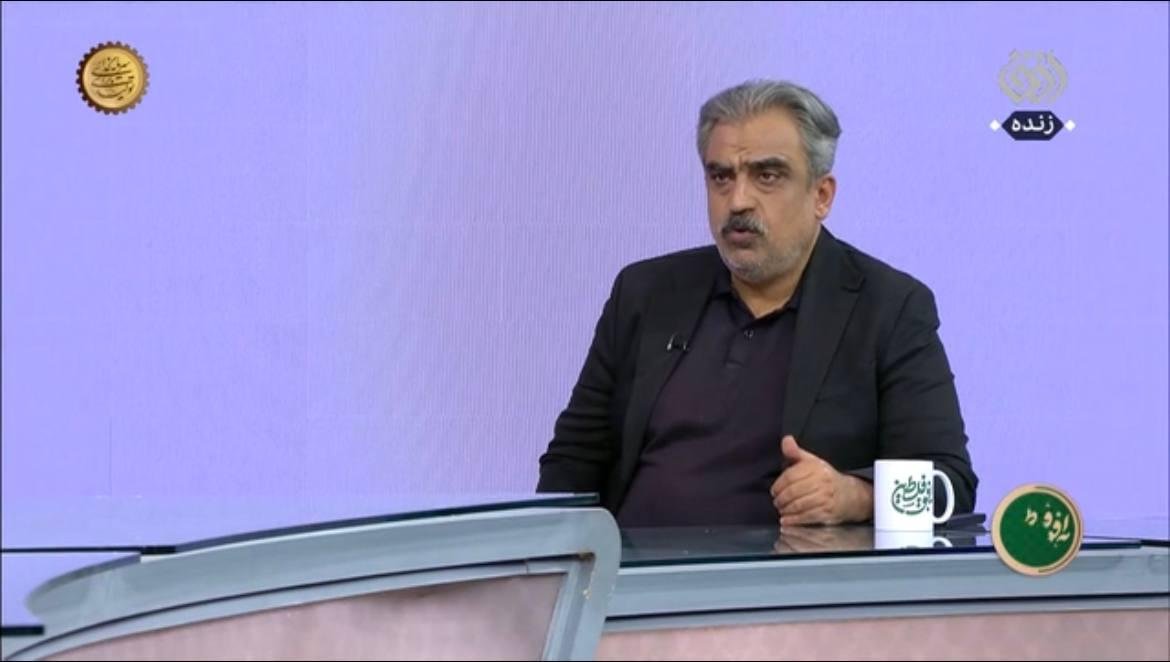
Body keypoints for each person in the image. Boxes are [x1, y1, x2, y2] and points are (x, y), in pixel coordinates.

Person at [536, 80, 977, 528]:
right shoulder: (646, 293)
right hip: (631, 569)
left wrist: (856, 496)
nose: (738, 201)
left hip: (782, 572)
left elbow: (950, 488)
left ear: (821, 195)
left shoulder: (889, 308)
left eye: (767, 176)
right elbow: (572, 461)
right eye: (721, 177)